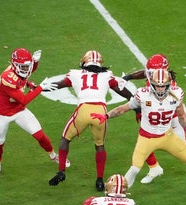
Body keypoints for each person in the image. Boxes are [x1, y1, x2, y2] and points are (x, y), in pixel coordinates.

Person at [90, 68, 186, 188]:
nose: (160, 89)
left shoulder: (176, 94)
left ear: (169, 84)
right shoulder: (143, 94)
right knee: (134, 168)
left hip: (167, 136)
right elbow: (124, 108)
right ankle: (120, 194)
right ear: (151, 84)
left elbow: (181, 114)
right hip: (146, 138)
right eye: (157, 86)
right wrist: (107, 115)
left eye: (163, 86)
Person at [46, 50, 133, 191]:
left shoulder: (75, 74)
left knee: (65, 139)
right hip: (100, 112)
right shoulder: (106, 75)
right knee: (100, 145)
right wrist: (133, 100)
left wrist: (39, 88)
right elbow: (119, 89)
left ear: (84, 62)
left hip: (83, 110)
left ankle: (61, 171)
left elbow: (58, 85)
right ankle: (99, 180)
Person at [0, 48, 68, 178]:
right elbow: (24, 99)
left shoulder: (18, 70)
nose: (27, 70)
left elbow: (27, 73)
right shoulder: (7, 78)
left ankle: (54, 156)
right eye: (24, 67)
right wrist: (40, 88)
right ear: (15, 65)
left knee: (40, 135)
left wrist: (35, 62)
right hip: (2, 114)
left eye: (28, 66)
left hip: (19, 110)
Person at [121, 54, 186, 184]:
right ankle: (154, 168)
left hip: (171, 119)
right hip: (158, 117)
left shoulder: (166, 85)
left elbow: (176, 110)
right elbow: (145, 74)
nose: (149, 75)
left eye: (152, 72)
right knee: (145, 139)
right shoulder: (157, 77)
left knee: (184, 149)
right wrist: (128, 77)